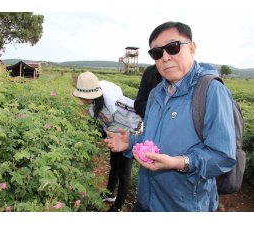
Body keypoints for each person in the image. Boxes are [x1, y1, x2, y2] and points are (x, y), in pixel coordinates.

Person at [104, 21, 236, 212]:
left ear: (192, 48)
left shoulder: (211, 91)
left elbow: (223, 157)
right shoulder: (156, 93)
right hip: (147, 200)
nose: (165, 57)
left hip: (184, 207)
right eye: (157, 53)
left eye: (172, 48)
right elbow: (151, 138)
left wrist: (180, 162)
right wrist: (130, 143)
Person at [73, 71, 133, 212]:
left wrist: (131, 139)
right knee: (114, 165)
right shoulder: (96, 104)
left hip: (127, 136)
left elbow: (132, 121)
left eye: (85, 97)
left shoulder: (115, 102)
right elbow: (103, 125)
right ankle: (110, 194)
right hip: (114, 135)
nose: (82, 100)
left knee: (124, 173)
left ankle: (117, 206)